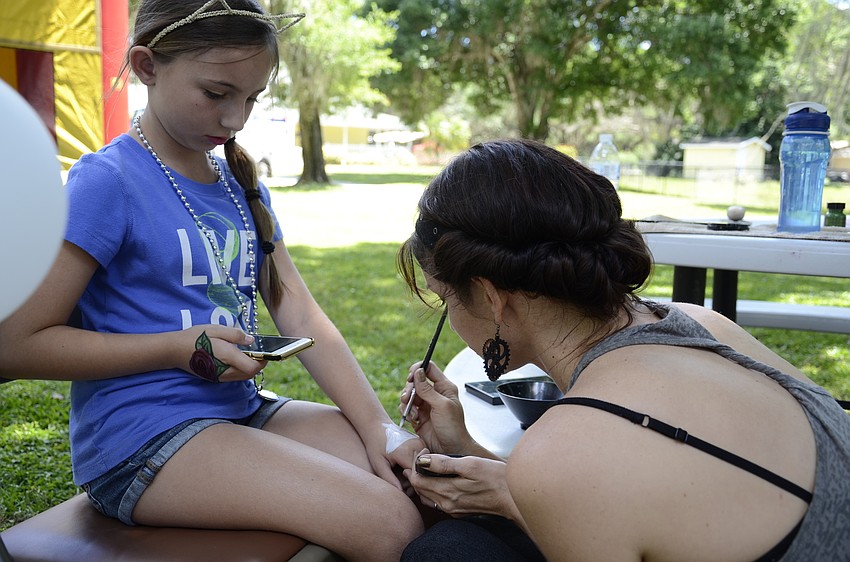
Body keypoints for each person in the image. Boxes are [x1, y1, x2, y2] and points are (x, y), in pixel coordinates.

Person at [0, 1, 424, 560]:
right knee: (388, 521)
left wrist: (379, 430)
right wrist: (177, 349)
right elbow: (16, 345)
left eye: (251, 98)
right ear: (147, 67)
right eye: (216, 94)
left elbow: (296, 307)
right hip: (142, 440)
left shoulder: (237, 182)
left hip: (241, 410)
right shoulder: (107, 183)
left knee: (415, 479)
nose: (236, 120)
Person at [396, 138, 850, 561]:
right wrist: (481, 458)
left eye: (444, 298)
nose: (449, 316)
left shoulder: (563, 455)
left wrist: (508, 495)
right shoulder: (700, 322)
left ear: (491, 296)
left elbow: (587, 479)